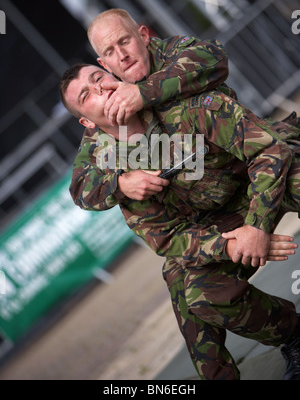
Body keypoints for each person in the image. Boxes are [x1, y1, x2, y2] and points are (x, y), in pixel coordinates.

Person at [60, 61, 300, 380]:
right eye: (87, 95)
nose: (100, 89)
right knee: (195, 288)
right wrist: (228, 245)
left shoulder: (173, 99)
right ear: (86, 122)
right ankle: (293, 334)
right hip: (222, 218)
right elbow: (169, 239)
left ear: (113, 76)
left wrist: (256, 226)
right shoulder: (121, 173)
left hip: (266, 179)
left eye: (98, 78)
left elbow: (269, 150)